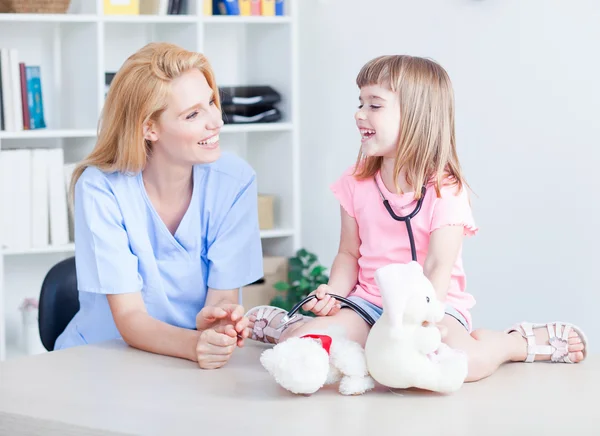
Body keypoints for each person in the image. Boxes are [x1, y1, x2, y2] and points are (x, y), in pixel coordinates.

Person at [246, 55, 588, 381]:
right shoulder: (355, 184)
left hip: (430, 306)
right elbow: (349, 253)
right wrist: (335, 292)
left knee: (464, 364)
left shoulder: (447, 191)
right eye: (360, 102)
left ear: (415, 116)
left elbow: (438, 266)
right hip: (369, 304)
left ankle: (515, 343)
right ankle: (288, 328)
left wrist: (419, 322)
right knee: (308, 347)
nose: (359, 114)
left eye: (374, 105)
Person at [54, 42, 263, 370]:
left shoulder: (234, 181)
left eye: (211, 102)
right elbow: (130, 318)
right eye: (193, 114)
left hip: (183, 363)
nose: (216, 121)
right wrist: (196, 344)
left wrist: (218, 326)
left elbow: (222, 299)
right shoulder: (100, 188)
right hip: (102, 361)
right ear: (149, 127)